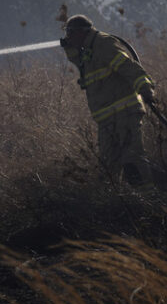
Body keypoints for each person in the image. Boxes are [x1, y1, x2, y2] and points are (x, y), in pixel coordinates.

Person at [60, 14, 156, 189]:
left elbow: (128, 66)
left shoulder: (103, 44)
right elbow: (80, 62)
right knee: (108, 166)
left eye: (70, 33)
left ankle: (149, 200)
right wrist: (69, 48)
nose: (68, 37)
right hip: (107, 120)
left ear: (82, 32)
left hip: (125, 113)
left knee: (132, 159)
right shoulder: (87, 49)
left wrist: (145, 88)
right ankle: (117, 203)